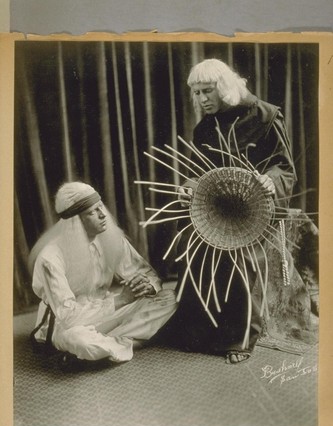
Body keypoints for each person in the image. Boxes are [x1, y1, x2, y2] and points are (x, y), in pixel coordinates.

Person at [151, 58, 297, 364]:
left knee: (241, 256)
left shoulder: (266, 115)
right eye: (196, 93)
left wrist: (269, 180)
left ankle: (238, 339)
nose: (202, 100)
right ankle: (199, 332)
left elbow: (285, 167)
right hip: (219, 203)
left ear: (225, 87)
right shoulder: (206, 127)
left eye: (207, 91)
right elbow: (205, 171)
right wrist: (190, 185)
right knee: (195, 243)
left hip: (257, 206)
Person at [29, 181, 177, 363]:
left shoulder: (111, 238)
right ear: (75, 222)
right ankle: (132, 341)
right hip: (68, 324)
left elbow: (149, 274)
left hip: (108, 312)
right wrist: (121, 299)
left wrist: (147, 285)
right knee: (79, 339)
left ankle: (102, 350)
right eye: (92, 212)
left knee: (169, 298)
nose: (102, 215)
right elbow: (67, 317)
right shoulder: (50, 258)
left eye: (101, 207)